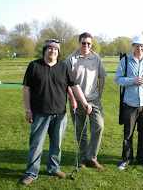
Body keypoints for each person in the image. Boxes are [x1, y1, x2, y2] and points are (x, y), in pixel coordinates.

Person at [21, 39, 92, 185]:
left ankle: (53, 168)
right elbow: (26, 89)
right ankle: (31, 173)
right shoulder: (34, 66)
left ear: (58, 52)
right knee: (36, 145)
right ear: (44, 50)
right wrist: (28, 110)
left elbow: (74, 86)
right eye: (50, 48)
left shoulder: (63, 67)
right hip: (39, 113)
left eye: (55, 49)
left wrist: (84, 102)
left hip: (60, 113)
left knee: (56, 144)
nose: (53, 51)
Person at [114, 35, 143, 170]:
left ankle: (142, 159)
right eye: (137, 45)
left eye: (142, 46)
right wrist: (133, 81)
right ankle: (126, 159)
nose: (139, 48)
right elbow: (118, 79)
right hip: (129, 104)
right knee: (128, 134)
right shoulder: (125, 61)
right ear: (133, 46)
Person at [66, 32, 107, 169]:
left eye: (89, 43)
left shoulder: (96, 58)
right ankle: (84, 158)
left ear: (91, 44)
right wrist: (72, 99)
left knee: (99, 126)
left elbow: (102, 76)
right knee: (80, 131)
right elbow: (66, 82)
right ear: (79, 43)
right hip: (77, 101)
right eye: (83, 43)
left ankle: (91, 157)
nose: (86, 45)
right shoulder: (71, 59)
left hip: (94, 100)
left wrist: (99, 94)